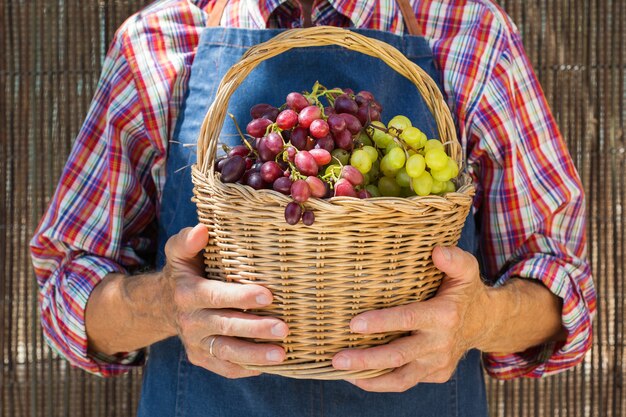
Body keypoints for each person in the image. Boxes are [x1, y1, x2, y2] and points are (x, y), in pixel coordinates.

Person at [30, 0, 596, 416]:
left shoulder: (474, 36)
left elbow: (564, 291)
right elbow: (66, 292)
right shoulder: (155, 45)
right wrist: (160, 304)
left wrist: (480, 319)